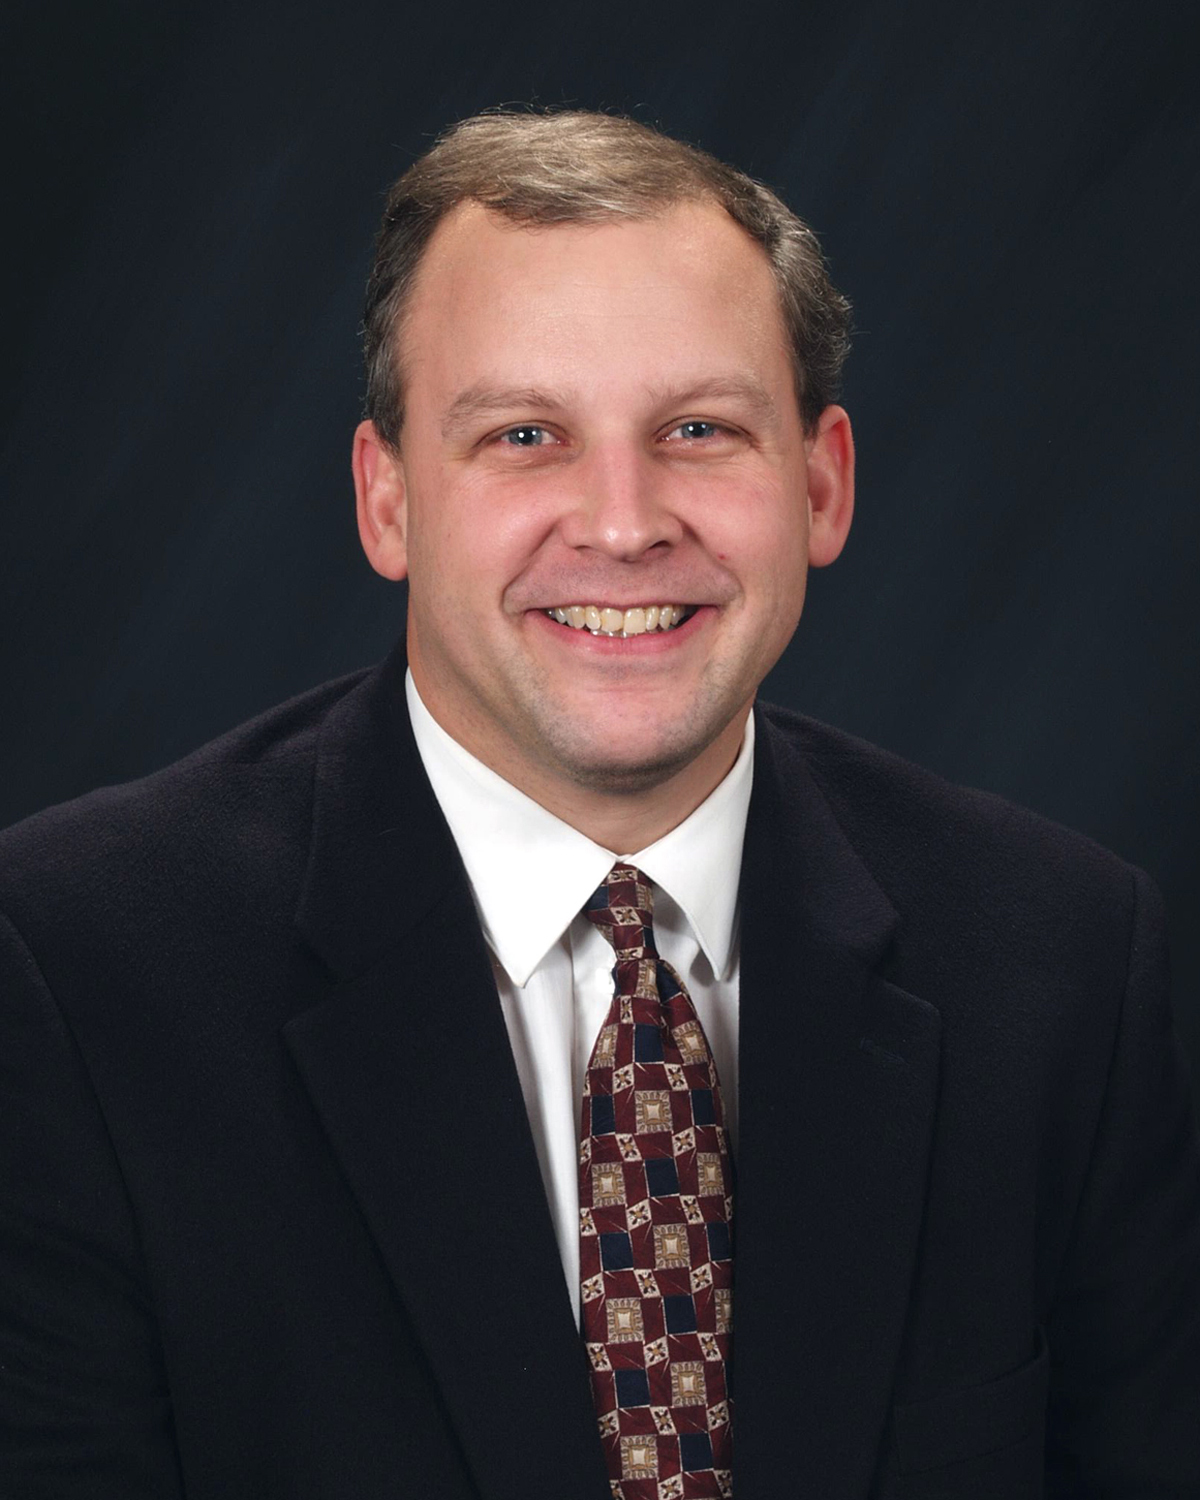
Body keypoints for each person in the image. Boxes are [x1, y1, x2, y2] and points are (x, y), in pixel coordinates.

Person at [1, 108, 1197, 1500]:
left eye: (699, 429)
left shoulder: (1061, 964)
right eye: (525, 434)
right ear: (388, 502)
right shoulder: (74, 975)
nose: (625, 523)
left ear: (822, 485)